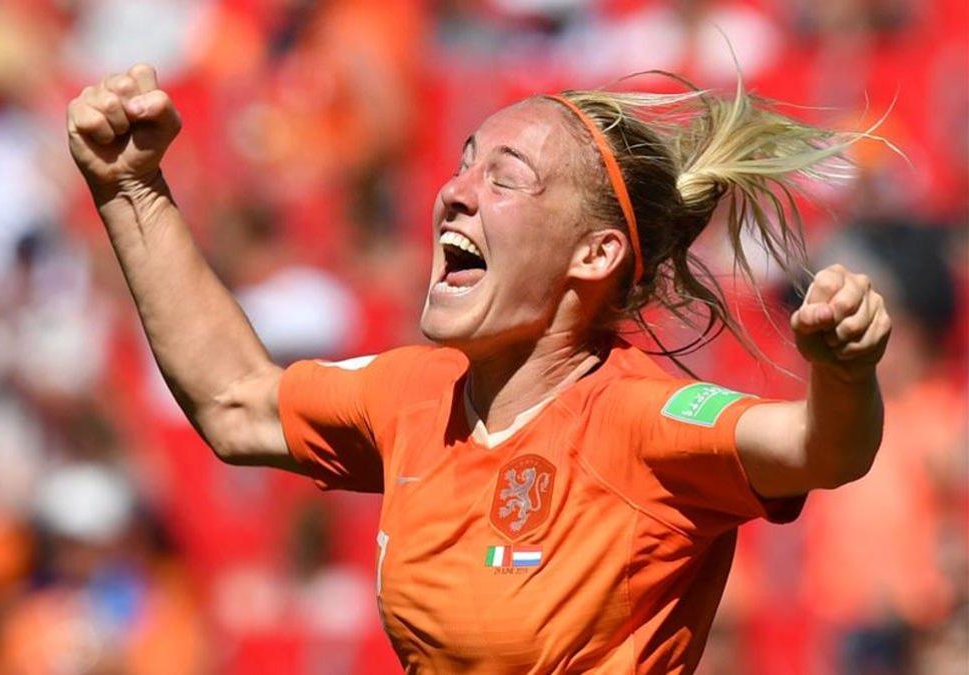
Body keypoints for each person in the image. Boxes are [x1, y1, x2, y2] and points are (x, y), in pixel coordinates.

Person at [66, 64, 892, 673]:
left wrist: (844, 371)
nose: (455, 191)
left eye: (506, 178)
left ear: (595, 253)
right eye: (464, 162)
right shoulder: (413, 394)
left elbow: (826, 450)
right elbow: (233, 401)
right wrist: (129, 187)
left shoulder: (638, 419)